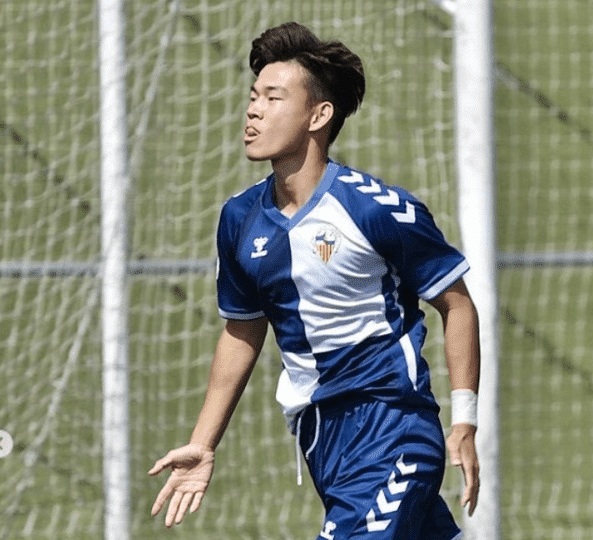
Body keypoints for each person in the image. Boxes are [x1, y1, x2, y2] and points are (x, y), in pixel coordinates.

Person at [149, 21, 480, 540]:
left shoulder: (376, 209)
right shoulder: (239, 218)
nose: (254, 110)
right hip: (321, 439)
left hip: (391, 426)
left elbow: (457, 305)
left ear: (318, 115)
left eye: (273, 98)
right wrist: (203, 443)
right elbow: (243, 330)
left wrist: (464, 420)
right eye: (253, 96)